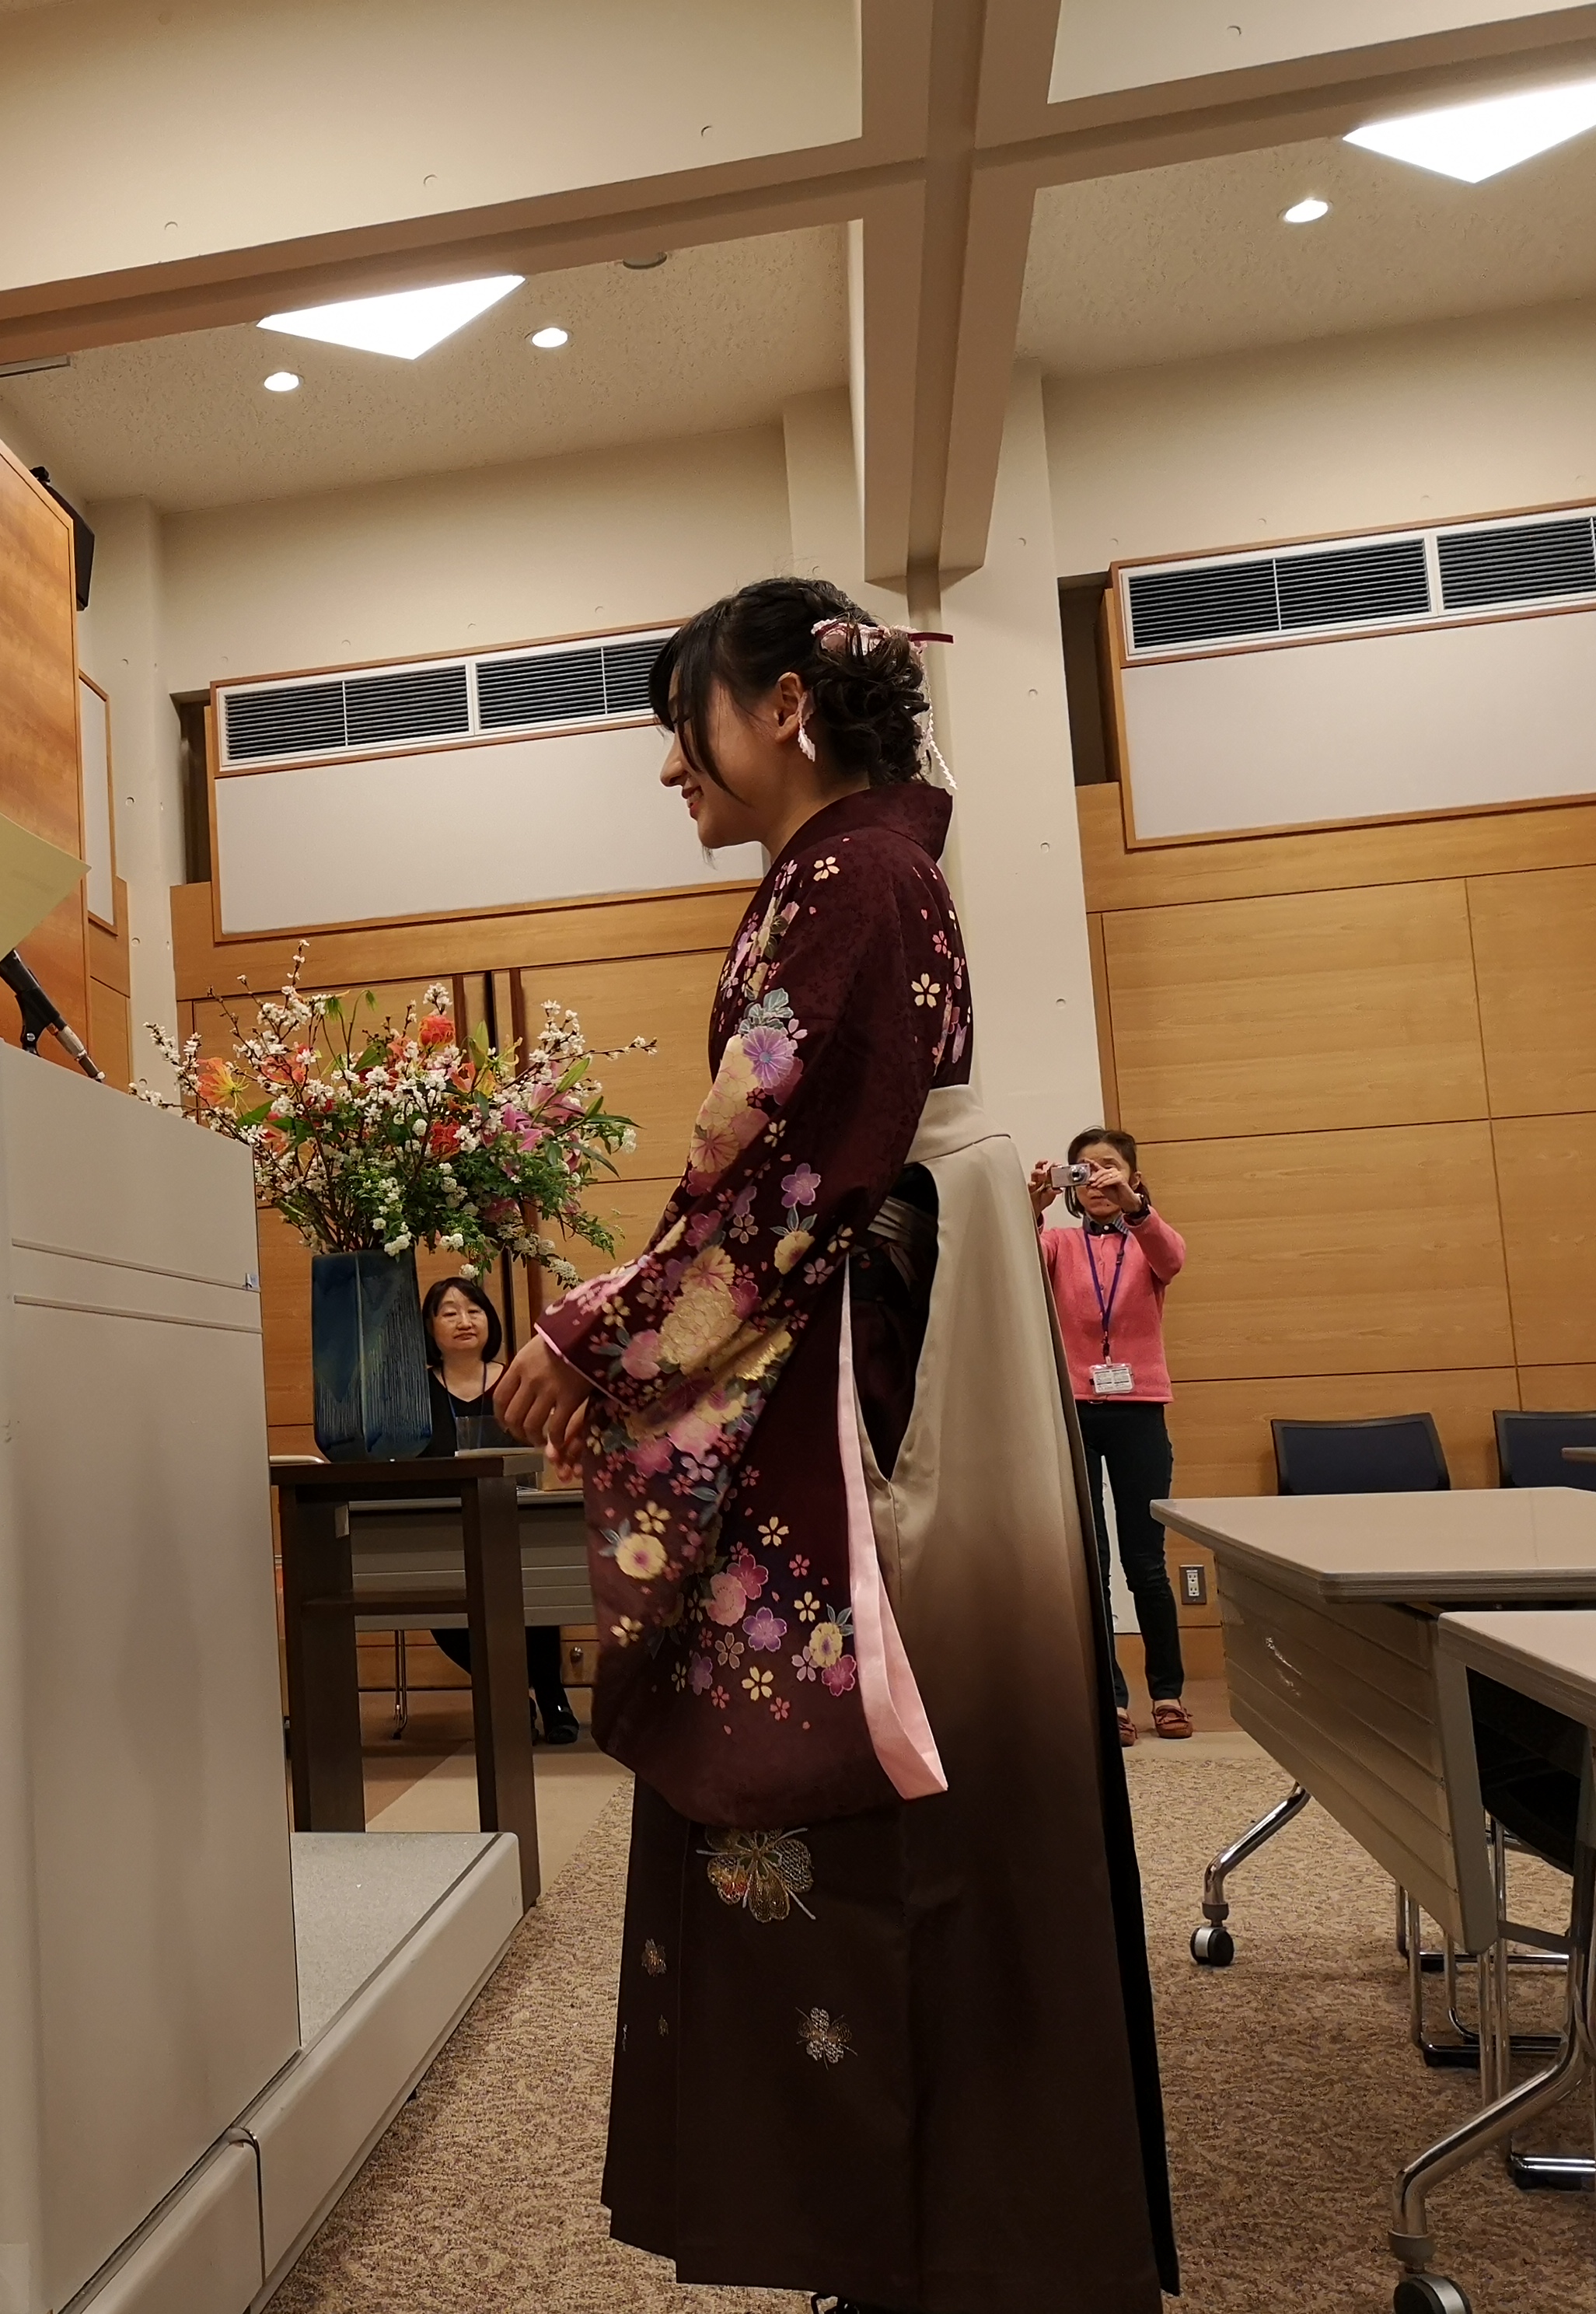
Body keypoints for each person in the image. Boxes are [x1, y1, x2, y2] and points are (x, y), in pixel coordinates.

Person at [493, 576, 1174, 2313]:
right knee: (901, 1760)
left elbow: (774, 1181)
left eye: (687, 724)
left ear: (783, 708)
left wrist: (594, 1336)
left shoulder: (851, 879)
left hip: (862, 1327)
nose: (671, 767)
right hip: (880, 1304)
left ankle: (913, 2232)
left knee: (856, 1759)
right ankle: (919, 2226)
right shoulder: (860, 871)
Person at [1035, 1129, 1192, 1746]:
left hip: (1140, 1411)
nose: (1095, 1179)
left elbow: (1173, 1258)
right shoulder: (1058, 1243)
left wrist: (1136, 1208)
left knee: (1146, 1562)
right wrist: (1030, 1208)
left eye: (1108, 1168)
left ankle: (1168, 1692)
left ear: (1133, 1178)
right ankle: (1113, 1700)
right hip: (1074, 1409)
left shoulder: (1146, 1240)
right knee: (1092, 1562)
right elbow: (1014, 1268)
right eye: (1083, 1169)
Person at [421, 1274, 579, 1745]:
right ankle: (511, 1692)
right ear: (429, 1328)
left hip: (518, 1518)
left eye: (473, 1310)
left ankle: (552, 1696)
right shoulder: (414, 1392)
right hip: (443, 1529)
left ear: (489, 1320)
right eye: (449, 1313)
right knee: (440, 1606)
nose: (464, 1321)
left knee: (537, 1587)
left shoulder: (518, 1378)